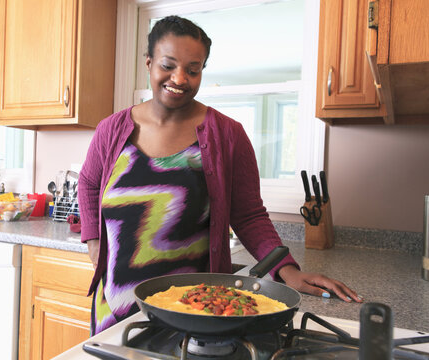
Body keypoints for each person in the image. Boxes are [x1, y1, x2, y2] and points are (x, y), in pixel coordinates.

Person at [78, 15, 362, 335]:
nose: (180, 78)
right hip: (114, 304)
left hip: (194, 311)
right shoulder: (111, 129)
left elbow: (249, 215)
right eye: (168, 65)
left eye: (193, 69)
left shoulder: (227, 134)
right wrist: (92, 240)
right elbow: (89, 182)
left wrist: (287, 270)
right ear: (149, 63)